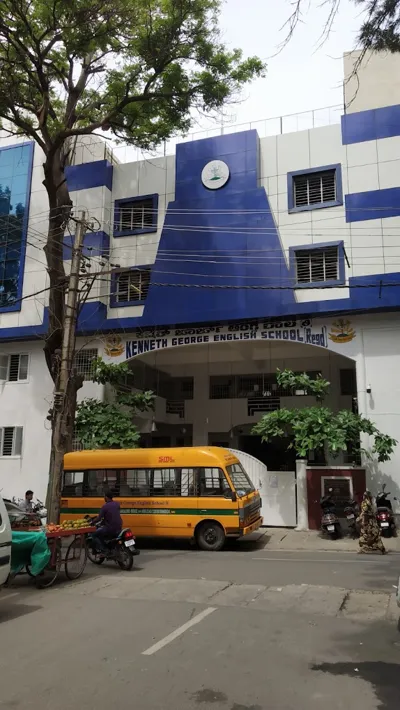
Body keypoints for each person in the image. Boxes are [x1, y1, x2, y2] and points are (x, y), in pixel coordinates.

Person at [91, 490, 122, 555]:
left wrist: (92, 522)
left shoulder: (105, 506)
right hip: (119, 526)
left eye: (104, 496)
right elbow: (112, 515)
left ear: (107, 497)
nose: (104, 498)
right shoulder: (117, 504)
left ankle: (104, 550)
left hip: (110, 528)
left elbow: (99, 518)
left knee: (94, 535)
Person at [357, 490, 386, 554]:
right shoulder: (371, 503)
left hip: (368, 522)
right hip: (372, 522)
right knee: (374, 535)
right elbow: (370, 512)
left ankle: (365, 548)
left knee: (365, 535)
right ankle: (380, 548)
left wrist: (362, 521)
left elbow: (365, 512)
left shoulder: (365, 502)